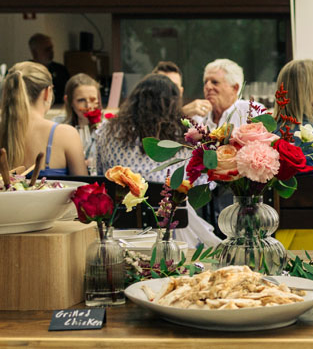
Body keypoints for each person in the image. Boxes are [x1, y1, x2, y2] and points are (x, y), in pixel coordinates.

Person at [94, 74, 218, 246]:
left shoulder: (106, 131)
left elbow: (102, 175)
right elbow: (202, 184)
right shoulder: (181, 136)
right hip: (172, 232)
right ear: (173, 104)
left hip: (119, 228)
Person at [191, 58, 265, 128]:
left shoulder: (252, 112)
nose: (208, 87)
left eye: (215, 82)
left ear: (234, 88)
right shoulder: (197, 116)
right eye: (205, 82)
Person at [57, 73, 103, 173]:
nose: (88, 105)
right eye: (81, 100)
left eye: (93, 99)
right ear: (68, 101)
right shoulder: (58, 127)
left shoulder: (107, 128)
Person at [28, 33, 70, 106]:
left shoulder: (61, 70)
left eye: (51, 48)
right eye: (47, 49)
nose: (51, 52)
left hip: (59, 109)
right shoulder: (26, 71)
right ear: (35, 52)